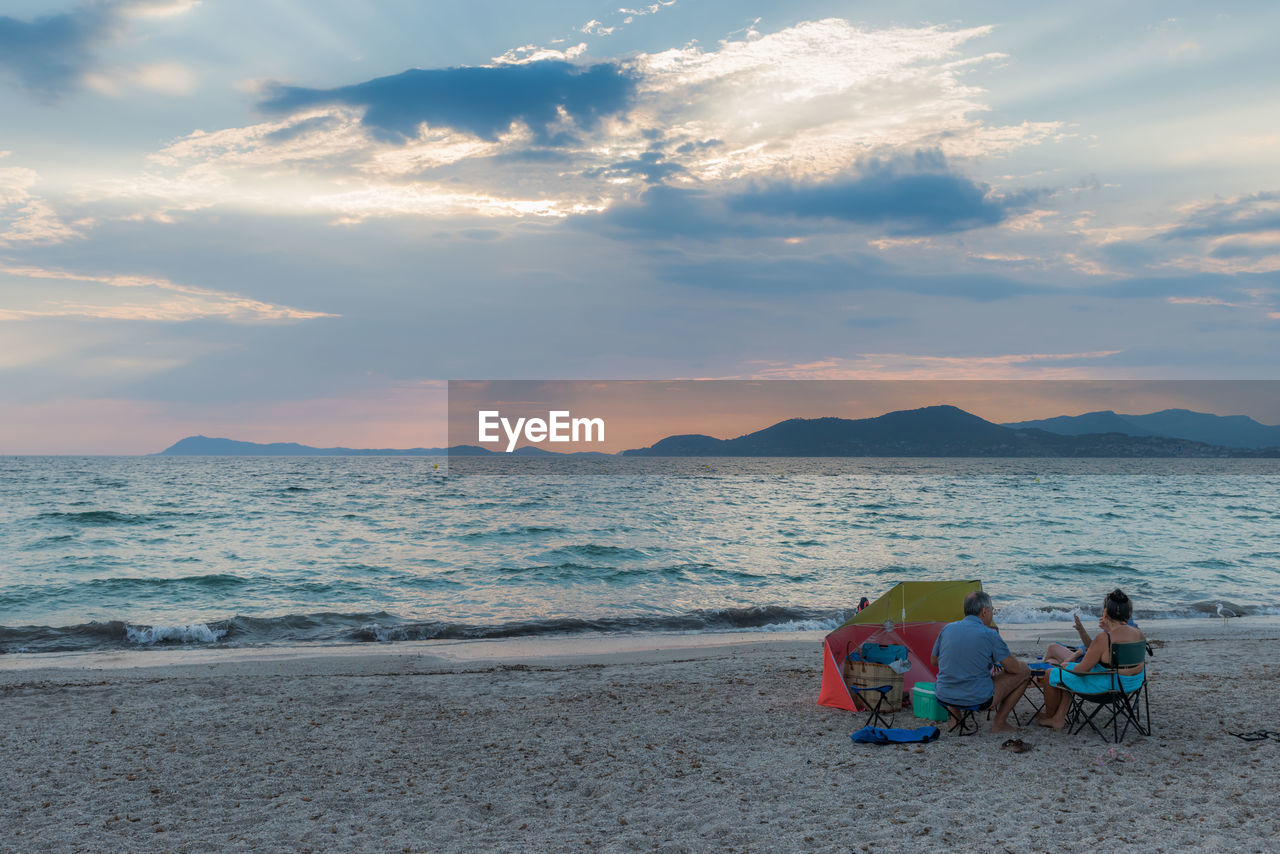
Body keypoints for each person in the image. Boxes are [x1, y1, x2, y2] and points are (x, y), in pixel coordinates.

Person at [1036, 589, 1146, 730]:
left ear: (1105, 612)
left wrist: (1066, 665)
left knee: (1052, 673)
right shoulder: (1139, 634)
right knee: (1069, 673)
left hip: (1108, 689)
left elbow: (1082, 670)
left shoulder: (1105, 638)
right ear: (1127, 611)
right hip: (1132, 685)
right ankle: (1059, 718)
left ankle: (1050, 716)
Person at [931, 590, 1030, 734]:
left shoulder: (947, 628)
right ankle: (999, 723)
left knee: (956, 669)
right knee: (1024, 670)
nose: (992, 613)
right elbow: (1014, 669)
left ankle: (955, 721)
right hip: (978, 699)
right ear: (984, 611)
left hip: (944, 695)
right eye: (992, 610)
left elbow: (934, 661)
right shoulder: (989, 634)